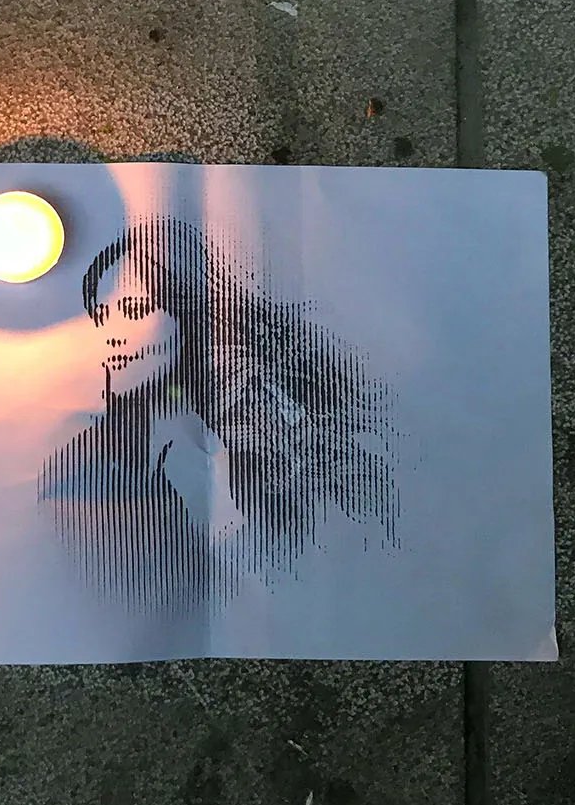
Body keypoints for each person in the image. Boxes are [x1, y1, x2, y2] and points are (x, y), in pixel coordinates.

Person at [38, 216, 399, 613]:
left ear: (184, 308)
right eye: (101, 314)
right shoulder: (109, 438)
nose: (112, 334)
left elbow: (290, 559)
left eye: (135, 310)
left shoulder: (252, 405)